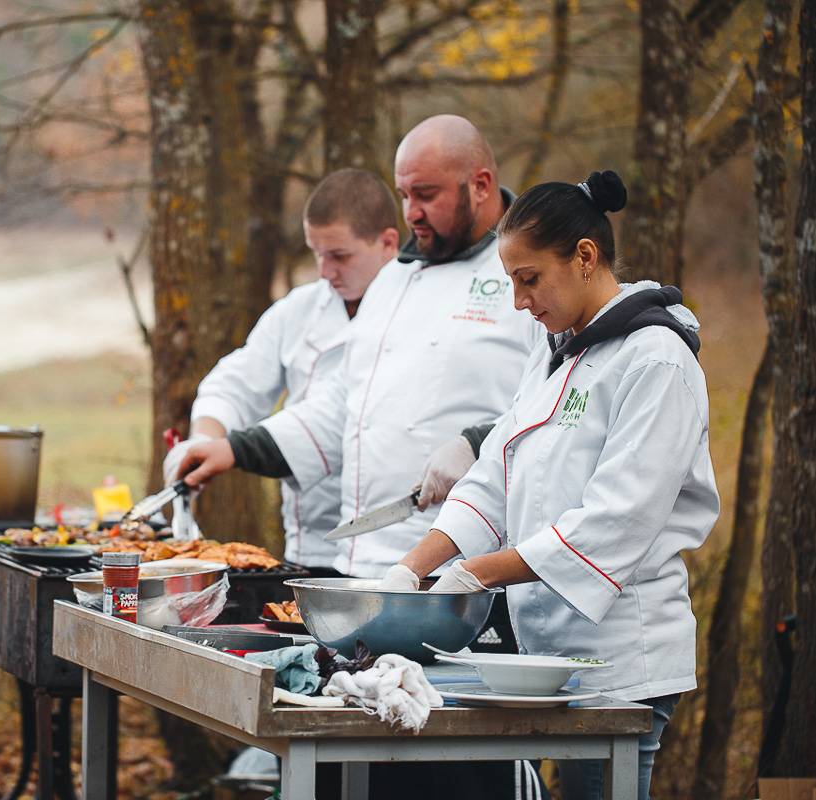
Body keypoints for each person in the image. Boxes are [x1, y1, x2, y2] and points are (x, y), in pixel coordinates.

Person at [384, 170, 720, 799]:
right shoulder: (554, 352)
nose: (517, 301)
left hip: (621, 660)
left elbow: (615, 520)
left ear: (585, 257)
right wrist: (409, 571)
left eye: (528, 279)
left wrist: (478, 573)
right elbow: (495, 476)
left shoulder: (656, 359)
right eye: (510, 280)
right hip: (545, 659)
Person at [175, 115, 543, 580]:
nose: (410, 212)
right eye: (404, 195)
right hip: (363, 559)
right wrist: (233, 448)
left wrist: (477, 444)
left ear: (481, 185)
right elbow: (345, 407)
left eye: (426, 195)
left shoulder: (526, 273)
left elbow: (555, 410)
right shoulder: (392, 281)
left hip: (472, 568)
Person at [163, 168, 400, 572]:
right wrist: (205, 439)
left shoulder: (413, 317)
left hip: (390, 552)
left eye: (340, 256)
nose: (326, 271)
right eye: (316, 254)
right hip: (308, 549)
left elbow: (332, 418)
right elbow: (237, 381)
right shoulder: (300, 309)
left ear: (388, 244)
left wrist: (233, 451)